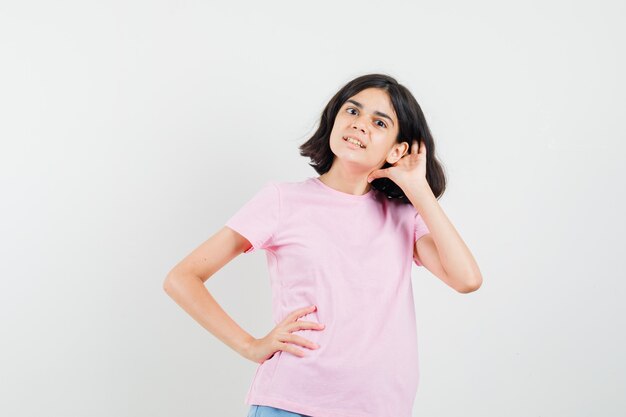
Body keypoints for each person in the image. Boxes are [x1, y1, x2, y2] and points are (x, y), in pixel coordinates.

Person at [163, 73, 483, 417]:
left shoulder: (405, 215)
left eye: (379, 122)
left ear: (398, 149)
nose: (360, 125)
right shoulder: (282, 200)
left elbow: (466, 279)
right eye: (352, 111)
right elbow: (183, 278)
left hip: (382, 408)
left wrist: (418, 190)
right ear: (334, 119)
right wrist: (250, 346)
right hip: (292, 403)